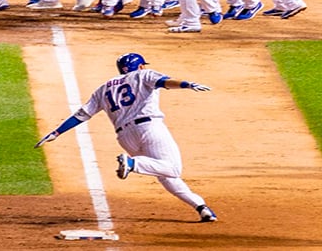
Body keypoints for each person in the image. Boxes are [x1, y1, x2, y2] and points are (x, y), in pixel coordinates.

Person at [34, 52, 218, 223]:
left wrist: (57, 132)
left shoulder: (103, 89)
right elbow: (164, 82)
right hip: (149, 128)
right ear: (139, 66)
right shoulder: (143, 75)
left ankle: (201, 208)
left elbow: (82, 114)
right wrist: (187, 84)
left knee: (163, 174)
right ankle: (132, 164)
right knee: (173, 169)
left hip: (124, 137)